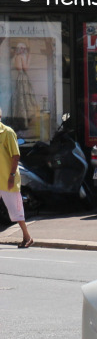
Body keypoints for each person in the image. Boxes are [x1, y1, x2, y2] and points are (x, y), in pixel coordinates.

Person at [0, 106, 32, 247]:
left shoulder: (7, 132)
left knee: (16, 210)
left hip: (7, 178)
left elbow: (15, 155)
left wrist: (12, 176)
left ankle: (27, 236)